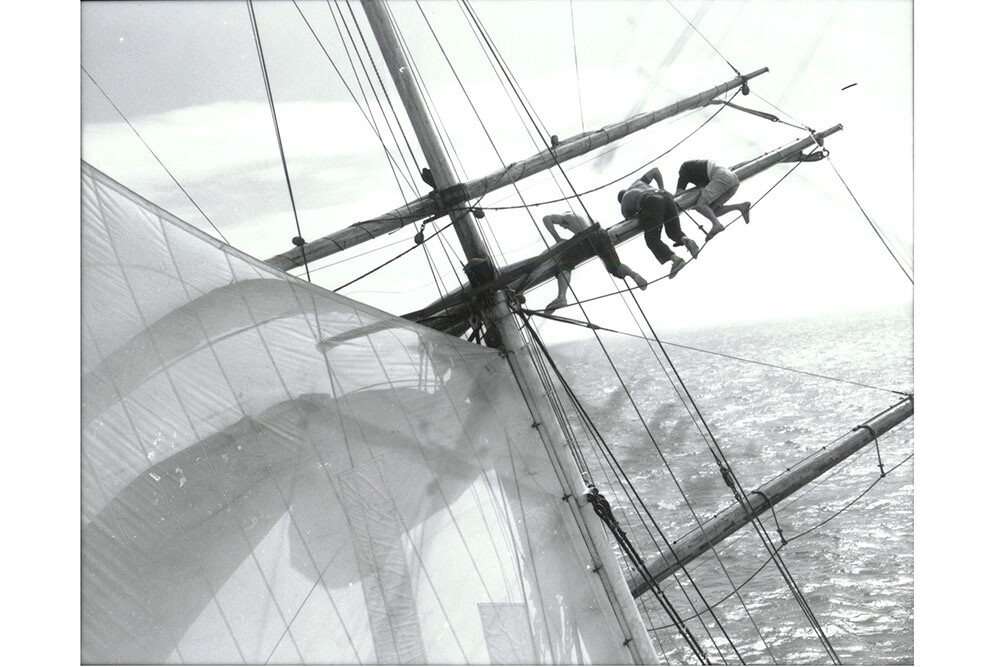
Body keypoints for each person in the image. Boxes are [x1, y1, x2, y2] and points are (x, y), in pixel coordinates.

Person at [541, 211, 647, 313]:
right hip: (602, 234)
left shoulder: (566, 216)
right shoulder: (583, 216)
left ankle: (561, 297)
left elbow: (546, 218)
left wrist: (558, 238)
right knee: (616, 267)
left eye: (562, 226)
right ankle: (635, 276)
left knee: (563, 264)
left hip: (586, 237)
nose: (563, 227)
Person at [617, 167, 698, 278]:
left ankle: (676, 260)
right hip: (665, 196)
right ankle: (686, 240)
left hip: (649, 201)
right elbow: (655, 170)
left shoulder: (624, 203)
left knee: (652, 239)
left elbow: (630, 221)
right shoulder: (638, 183)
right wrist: (661, 187)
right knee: (673, 231)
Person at [675, 159, 751, 240]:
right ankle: (740, 206)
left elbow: (679, 194)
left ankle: (716, 224)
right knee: (712, 211)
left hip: (722, 177)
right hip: (734, 181)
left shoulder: (684, 169)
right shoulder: (701, 169)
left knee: (700, 205)